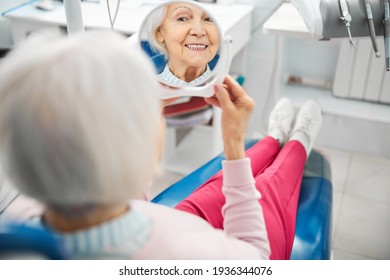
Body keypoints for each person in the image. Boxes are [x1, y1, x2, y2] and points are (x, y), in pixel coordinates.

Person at [0, 30, 322, 260]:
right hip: (173, 233)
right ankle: (297, 143)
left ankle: (273, 138)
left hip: (153, 218)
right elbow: (254, 256)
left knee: (219, 189)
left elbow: (123, 197)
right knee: (268, 189)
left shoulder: (19, 218)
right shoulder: (187, 257)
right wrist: (233, 142)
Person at [145, 1, 220, 86]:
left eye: (208, 19)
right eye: (183, 19)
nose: (199, 31)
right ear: (159, 32)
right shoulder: (147, 89)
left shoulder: (226, 89)